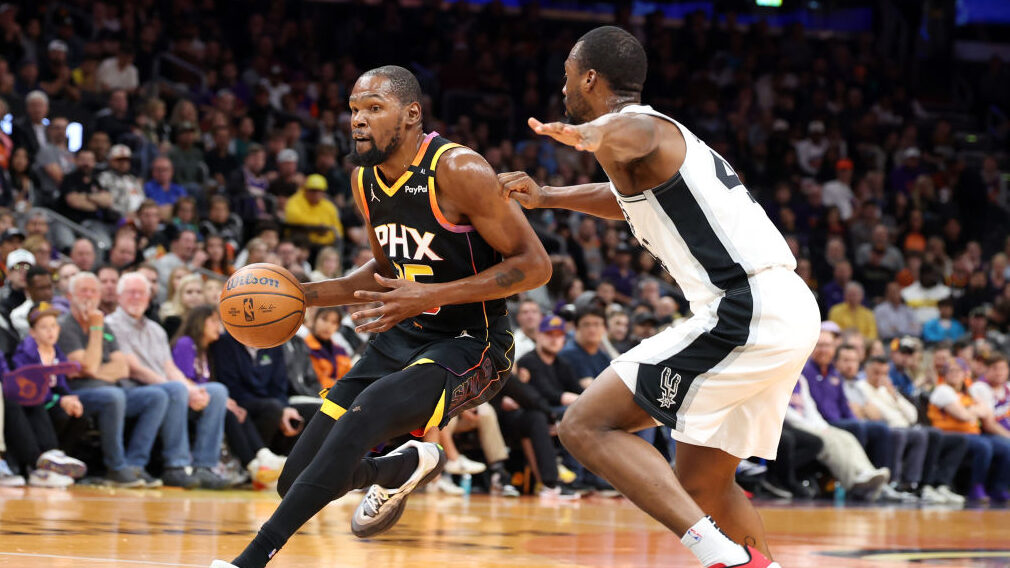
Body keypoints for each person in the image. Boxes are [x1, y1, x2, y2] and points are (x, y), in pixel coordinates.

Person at [498, 26, 819, 568]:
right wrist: (548, 196)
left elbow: (632, 133)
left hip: (747, 307)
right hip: (782, 308)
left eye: (568, 77)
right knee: (704, 485)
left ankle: (720, 556)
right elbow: (622, 196)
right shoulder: (658, 153)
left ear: (590, 78)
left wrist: (588, 135)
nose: (563, 88)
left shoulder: (641, 129)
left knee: (584, 425)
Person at [211, 65, 551, 568]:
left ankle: (250, 560)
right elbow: (385, 273)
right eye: (353, 109)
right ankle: (399, 469)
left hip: (471, 342)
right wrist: (299, 294)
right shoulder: (364, 180)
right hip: (399, 339)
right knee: (295, 479)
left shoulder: (459, 170)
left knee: (369, 409)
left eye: (374, 108)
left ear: (411, 114)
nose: (358, 121)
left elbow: (534, 266)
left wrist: (429, 294)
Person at [106, 272, 230, 489]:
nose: (136, 297)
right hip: (130, 389)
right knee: (173, 390)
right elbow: (134, 368)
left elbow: (169, 367)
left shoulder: (155, 329)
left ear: (149, 297)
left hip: (165, 388)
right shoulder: (112, 324)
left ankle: (205, 466)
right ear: (119, 296)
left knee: (216, 391)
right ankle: (177, 465)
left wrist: (192, 389)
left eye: (141, 293)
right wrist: (180, 388)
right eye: (131, 293)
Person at [171, 305, 286, 488]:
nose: (219, 326)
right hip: (184, 403)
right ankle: (255, 463)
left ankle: (258, 460)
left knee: (237, 410)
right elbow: (180, 379)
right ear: (200, 322)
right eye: (214, 321)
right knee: (228, 408)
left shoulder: (206, 350)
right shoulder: (186, 343)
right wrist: (222, 400)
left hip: (205, 403)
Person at [4, 303, 89, 488]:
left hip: (47, 397)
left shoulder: (56, 351)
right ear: (33, 332)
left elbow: (61, 384)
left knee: (81, 417)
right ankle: (46, 460)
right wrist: (60, 399)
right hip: (29, 398)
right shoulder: (24, 354)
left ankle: (57, 460)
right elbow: (25, 385)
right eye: (44, 327)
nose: (50, 332)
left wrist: (71, 398)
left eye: (53, 326)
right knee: (39, 403)